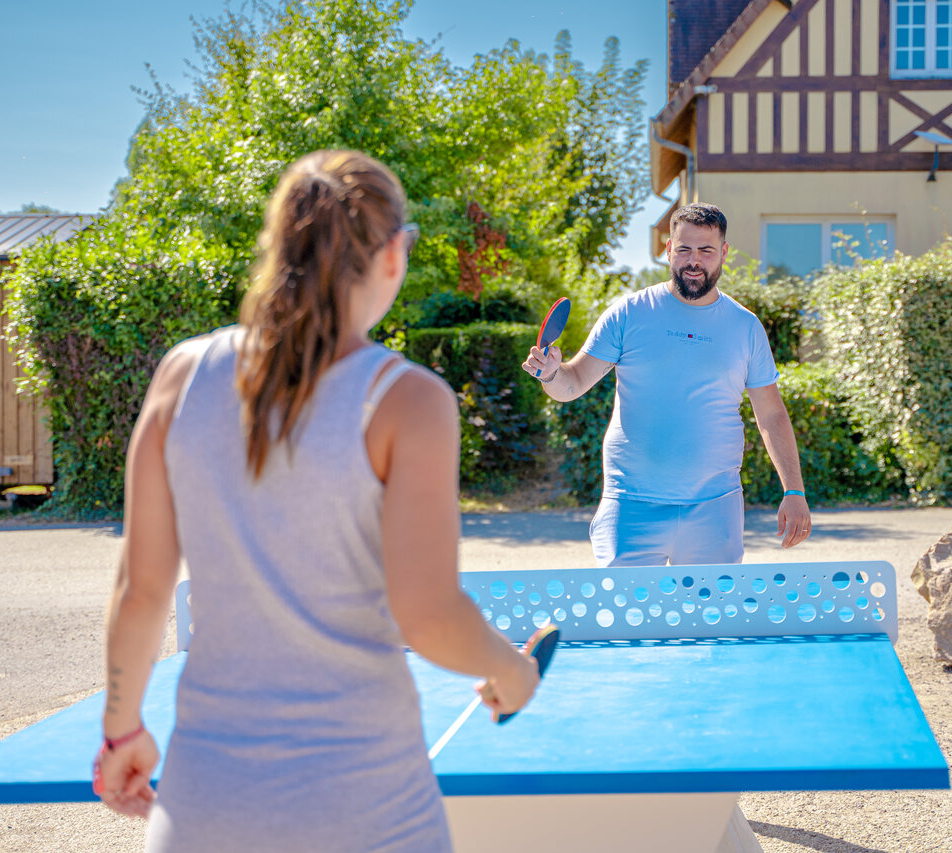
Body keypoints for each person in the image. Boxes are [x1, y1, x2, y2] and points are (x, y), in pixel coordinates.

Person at [95, 149, 541, 852]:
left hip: (204, 806)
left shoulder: (181, 374)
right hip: (367, 806)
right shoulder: (409, 400)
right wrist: (510, 668)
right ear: (395, 253)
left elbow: (141, 589)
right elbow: (426, 614)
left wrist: (121, 728)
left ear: (278, 247)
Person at [523, 202, 812, 568]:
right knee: (625, 623)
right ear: (667, 250)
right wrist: (550, 372)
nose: (694, 260)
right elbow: (573, 383)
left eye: (706, 250)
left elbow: (770, 413)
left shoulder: (745, 326)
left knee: (710, 624)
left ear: (723, 252)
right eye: (684, 249)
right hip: (630, 505)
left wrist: (794, 490)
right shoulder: (628, 313)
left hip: (715, 507)